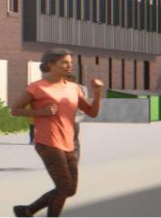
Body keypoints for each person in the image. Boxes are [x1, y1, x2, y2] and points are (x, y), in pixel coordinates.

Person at [9, 49, 103, 217]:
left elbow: (92, 112)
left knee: (70, 189)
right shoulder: (37, 87)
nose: (69, 66)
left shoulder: (74, 88)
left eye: (71, 63)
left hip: (70, 142)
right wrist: (41, 113)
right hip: (48, 142)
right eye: (65, 62)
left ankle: (26, 210)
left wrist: (97, 94)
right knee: (64, 187)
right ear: (50, 65)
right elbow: (15, 110)